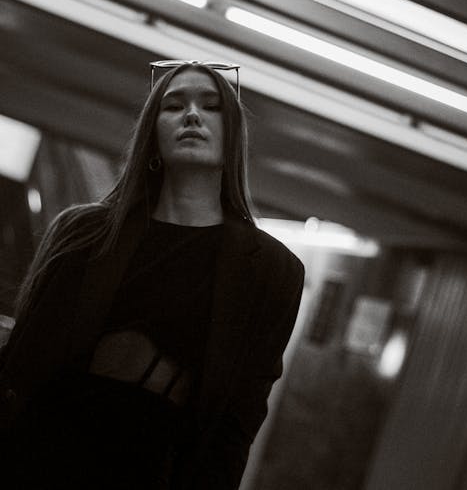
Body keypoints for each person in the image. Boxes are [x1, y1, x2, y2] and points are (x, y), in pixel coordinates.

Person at [0, 60, 304, 489]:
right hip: (38, 458)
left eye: (211, 106)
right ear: (153, 131)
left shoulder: (270, 270)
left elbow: (236, 424)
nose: (192, 115)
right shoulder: (84, 231)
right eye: (173, 105)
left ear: (233, 133)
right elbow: (21, 365)